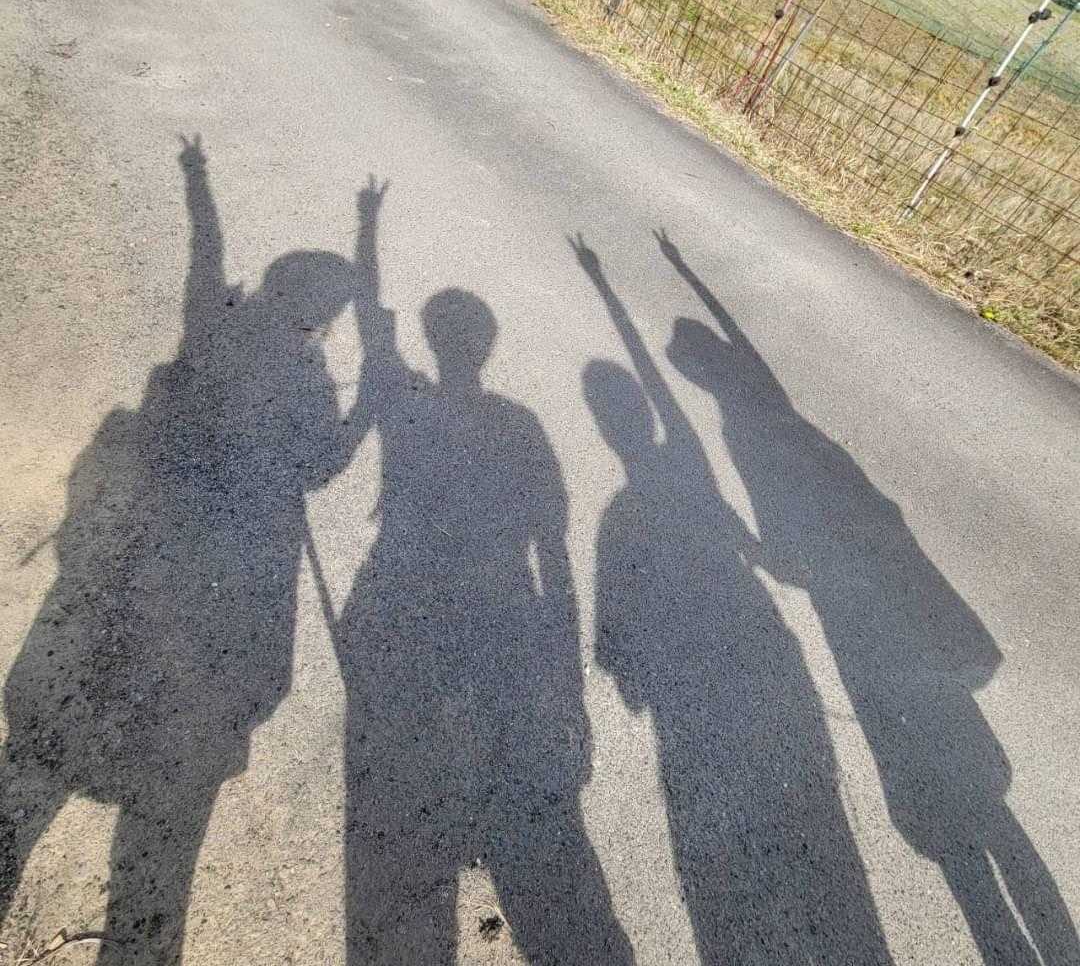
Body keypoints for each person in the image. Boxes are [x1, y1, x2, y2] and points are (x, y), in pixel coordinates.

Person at [659, 228, 1080, 965]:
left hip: (856, 629)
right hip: (891, 598)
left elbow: (785, 546)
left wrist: (768, 557)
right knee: (982, 822)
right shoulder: (763, 408)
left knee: (955, 825)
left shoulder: (748, 422)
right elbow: (745, 355)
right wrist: (682, 271)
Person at [1, 136, 366, 963]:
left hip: (135, 567)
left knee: (40, 760)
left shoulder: (216, 323)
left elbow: (207, 259)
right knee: (162, 829)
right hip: (216, 612)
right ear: (316, 315)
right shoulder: (304, 375)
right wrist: (364, 412)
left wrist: (196, 176)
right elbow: (321, 466)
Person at [332, 186, 631, 965]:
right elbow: (554, 556)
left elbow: (369, 324)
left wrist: (367, 227)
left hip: (400, 593)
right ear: (487, 348)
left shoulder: (403, 396)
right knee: (484, 736)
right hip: (499, 608)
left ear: (435, 343)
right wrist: (565, 678)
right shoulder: (519, 425)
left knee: (409, 733)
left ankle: (424, 845)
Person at [573, 234, 891, 964]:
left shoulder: (627, 509)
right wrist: (611, 289)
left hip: (725, 677)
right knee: (820, 821)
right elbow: (665, 398)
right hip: (770, 646)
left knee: (708, 828)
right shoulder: (682, 460)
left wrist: (609, 291)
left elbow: (663, 396)